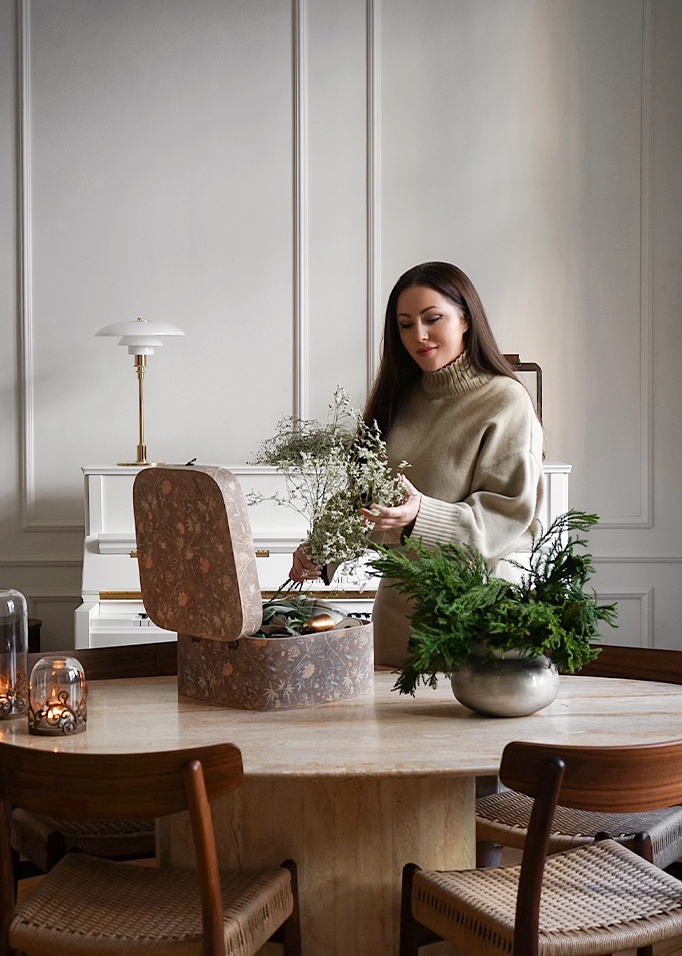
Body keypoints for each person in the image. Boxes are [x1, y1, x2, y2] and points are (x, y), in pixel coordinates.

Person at [290, 261, 544, 667]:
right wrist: (323, 550)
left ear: (466, 319)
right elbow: (365, 498)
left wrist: (418, 517)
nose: (418, 336)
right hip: (397, 622)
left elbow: (505, 518)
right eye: (405, 324)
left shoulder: (505, 401)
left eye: (433, 319)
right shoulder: (399, 400)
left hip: (477, 621)